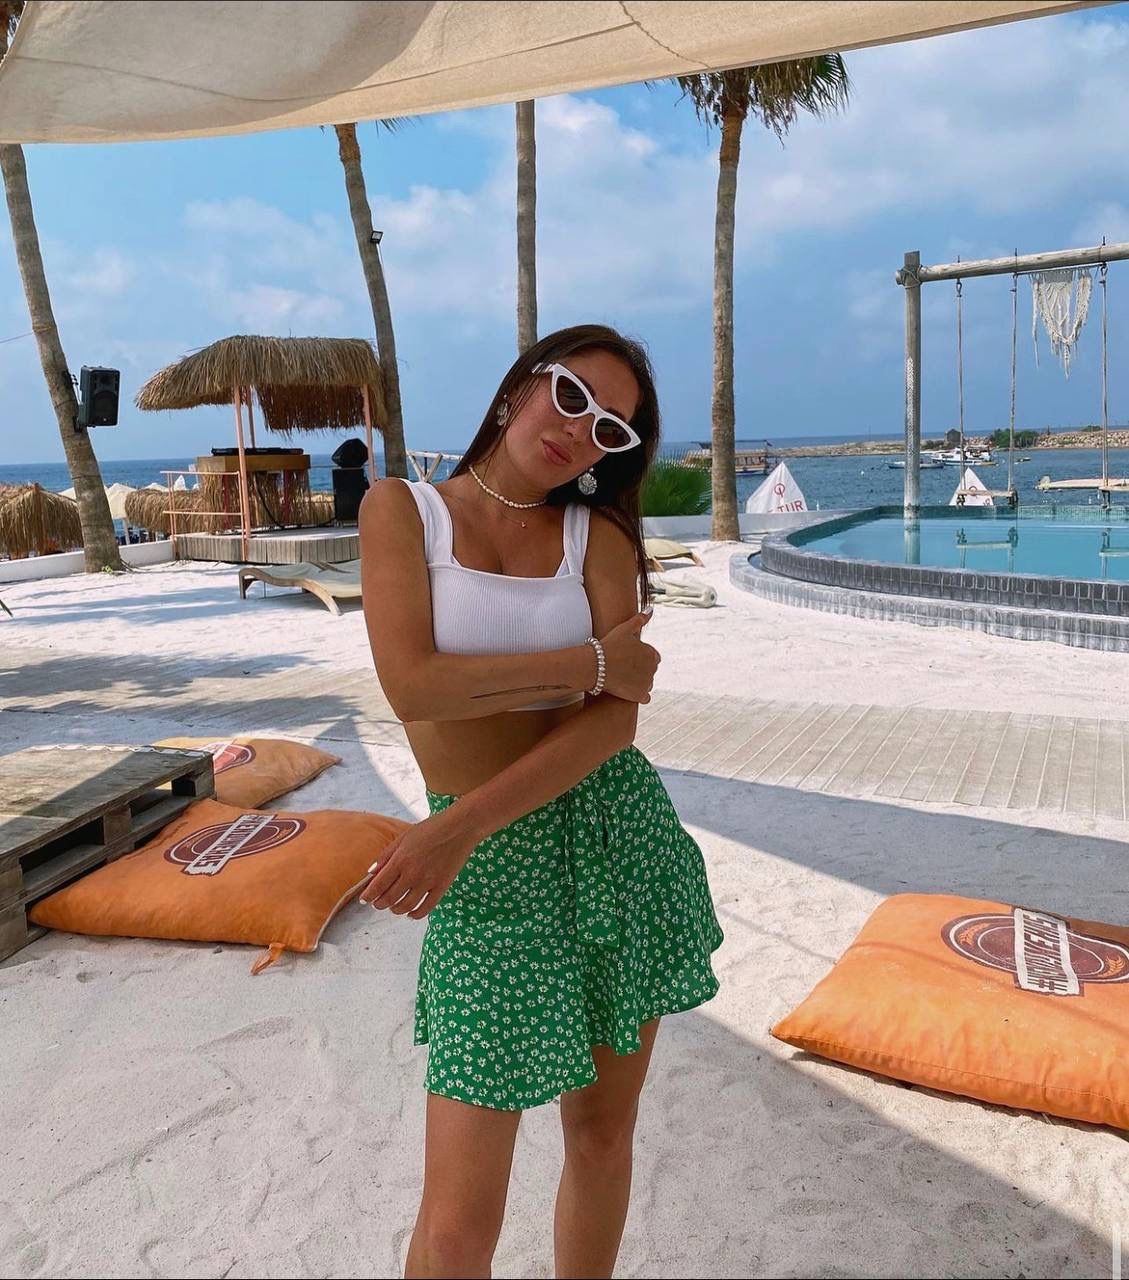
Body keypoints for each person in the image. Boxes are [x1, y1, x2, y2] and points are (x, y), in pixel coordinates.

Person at [358, 324, 724, 1279]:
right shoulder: (402, 511)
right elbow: (413, 686)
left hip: (611, 838)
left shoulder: (593, 536)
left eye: (609, 429)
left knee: (599, 1137)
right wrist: (590, 663)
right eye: (570, 397)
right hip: (487, 875)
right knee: (456, 1225)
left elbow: (614, 726)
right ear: (521, 386)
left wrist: (459, 825)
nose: (579, 430)